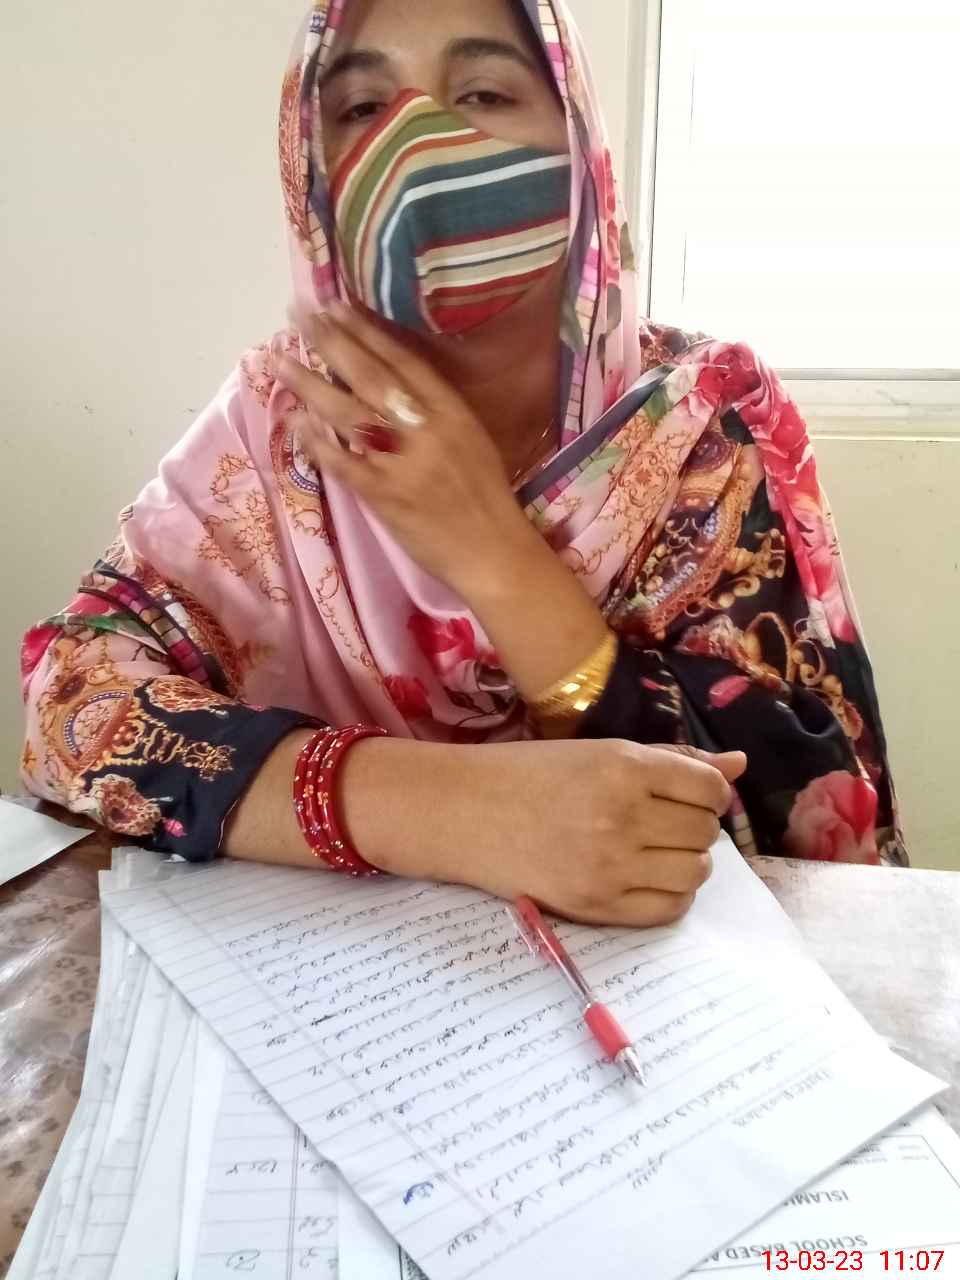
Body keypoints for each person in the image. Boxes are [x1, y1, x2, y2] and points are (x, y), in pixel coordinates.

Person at [19, 0, 904, 928]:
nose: (413, 143)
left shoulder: (699, 424)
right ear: (311, 172)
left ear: (579, 144)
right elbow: (74, 700)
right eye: (362, 109)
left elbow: (803, 830)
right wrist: (439, 810)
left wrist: (489, 549)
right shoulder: (282, 420)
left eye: (482, 93)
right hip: (340, 983)